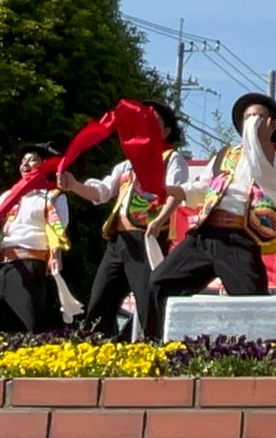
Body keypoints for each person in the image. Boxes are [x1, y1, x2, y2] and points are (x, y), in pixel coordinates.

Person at [149, 94, 276, 338]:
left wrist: (262, 145)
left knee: (252, 305)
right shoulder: (224, 155)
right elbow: (200, 189)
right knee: (159, 282)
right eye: (248, 117)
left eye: (258, 117)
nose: (252, 121)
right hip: (205, 234)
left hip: (239, 237)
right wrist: (166, 189)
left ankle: (260, 355)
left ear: (272, 124)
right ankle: (155, 346)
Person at [59, 101, 189, 340]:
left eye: (153, 122)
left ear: (166, 131)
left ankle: (156, 346)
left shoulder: (171, 158)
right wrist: (74, 185)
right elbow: (101, 193)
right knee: (100, 299)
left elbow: (177, 192)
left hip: (146, 238)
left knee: (147, 299)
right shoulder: (127, 164)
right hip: (118, 241)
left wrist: (159, 220)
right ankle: (96, 345)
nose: (146, 125)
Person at [0, 145, 72, 334]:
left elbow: (57, 229)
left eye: (32, 160)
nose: (25, 165)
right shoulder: (12, 195)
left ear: (45, 165)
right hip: (5, 265)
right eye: (23, 161)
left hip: (30, 263)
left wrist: (55, 255)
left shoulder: (53, 196)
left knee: (31, 323)